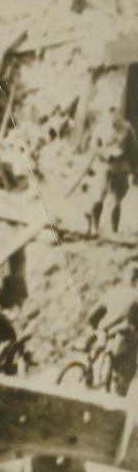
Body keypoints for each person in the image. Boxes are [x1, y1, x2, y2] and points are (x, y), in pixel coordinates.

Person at [87, 265, 138, 396]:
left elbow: (92, 314)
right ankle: (120, 390)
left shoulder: (113, 292)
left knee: (97, 356)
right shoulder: (135, 295)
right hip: (123, 335)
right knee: (131, 364)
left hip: (103, 332)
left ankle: (90, 375)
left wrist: (95, 327)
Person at [90, 116, 137, 237]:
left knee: (117, 200)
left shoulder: (127, 128)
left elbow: (133, 149)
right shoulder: (101, 126)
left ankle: (114, 230)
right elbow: (94, 146)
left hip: (121, 167)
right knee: (100, 195)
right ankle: (95, 227)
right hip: (106, 166)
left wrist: (133, 169)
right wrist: (103, 155)